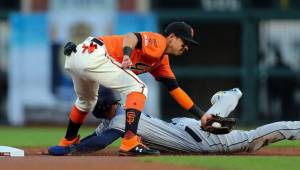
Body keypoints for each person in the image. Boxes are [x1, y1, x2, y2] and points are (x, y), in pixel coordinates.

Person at [48, 21, 213, 156]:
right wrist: (127, 54)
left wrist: (202, 115)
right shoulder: (159, 41)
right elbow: (131, 37)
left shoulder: (162, 61)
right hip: (94, 55)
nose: (186, 47)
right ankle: (130, 141)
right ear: (171, 36)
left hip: (78, 56)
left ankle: (67, 141)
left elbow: (175, 90)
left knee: (86, 101)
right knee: (139, 87)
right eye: (184, 42)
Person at [51, 87, 300, 155]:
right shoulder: (119, 115)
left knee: (251, 139)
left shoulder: (117, 120)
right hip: (185, 127)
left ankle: (231, 95)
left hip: (200, 139)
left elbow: (100, 143)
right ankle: (231, 94)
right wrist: (69, 147)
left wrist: (72, 149)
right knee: (212, 118)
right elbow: (95, 138)